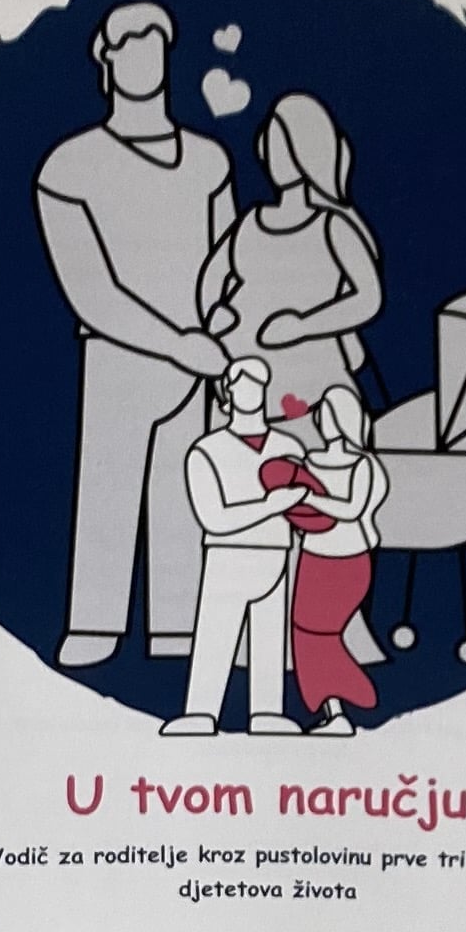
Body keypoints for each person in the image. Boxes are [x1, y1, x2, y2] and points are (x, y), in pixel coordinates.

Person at [35, 0, 237, 667]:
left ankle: (179, 629)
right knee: (109, 487)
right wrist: (179, 343)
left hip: (200, 361)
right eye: (127, 40)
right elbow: (92, 291)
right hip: (119, 358)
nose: (142, 51)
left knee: (186, 491)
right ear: (105, 60)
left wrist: (219, 337)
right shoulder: (69, 168)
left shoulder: (208, 162)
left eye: (155, 39)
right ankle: (94, 626)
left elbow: (228, 267)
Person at [196, 93, 382, 427]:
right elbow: (213, 276)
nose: (278, 153)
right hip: (240, 385)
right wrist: (214, 314)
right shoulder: (249, 222)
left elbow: (368, 297)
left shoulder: (330, 226)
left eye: (286, 141)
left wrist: (303, 326)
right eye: (273, 140)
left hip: (310, 382)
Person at [167, 357, 315, 735]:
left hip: (276, 553)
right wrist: (271, 506)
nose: (250, 388)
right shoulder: (206, 451)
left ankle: (268, 713)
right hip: (227, 557)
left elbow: (308, 508)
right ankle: (200, 712)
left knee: (270, 638)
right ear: (227, 394)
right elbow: (214, 518)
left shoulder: (288, 447)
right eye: (241, 381)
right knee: (216, 633)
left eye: (258, 382)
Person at [283, 386, 388, 734]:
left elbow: (352, 509)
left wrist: (310, 498)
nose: (321, 420)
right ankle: (334, 711)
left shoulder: (363, 464)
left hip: (348, 561)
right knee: (304, 633)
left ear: (345, 419)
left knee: (322, 634)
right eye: (320, 414)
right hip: (313, 556)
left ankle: (352, 695)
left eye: (328, 414)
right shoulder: (311, 460)